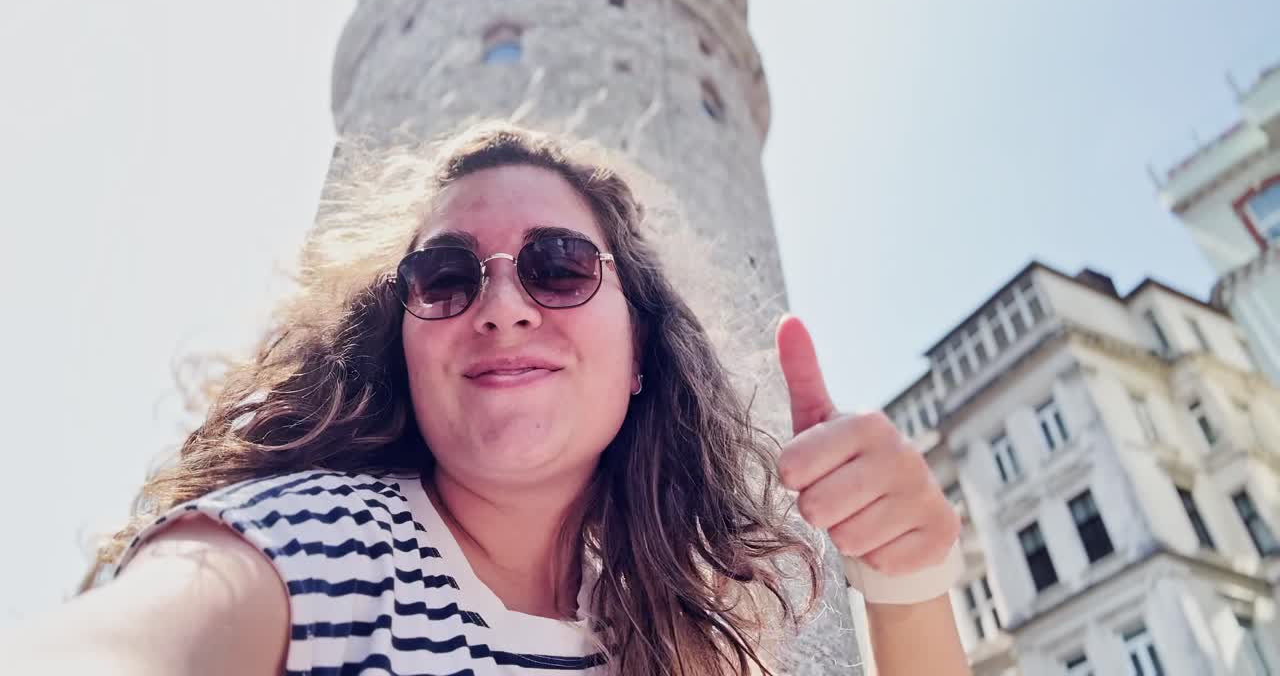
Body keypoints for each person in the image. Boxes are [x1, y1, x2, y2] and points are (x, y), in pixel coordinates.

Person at [5, 123, 968, 675]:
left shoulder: (670, 637)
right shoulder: (309, 550)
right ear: (402, 345)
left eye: (560, 266)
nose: (502, 307)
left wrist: (907, 581)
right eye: (445, 277)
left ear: (642, 350)